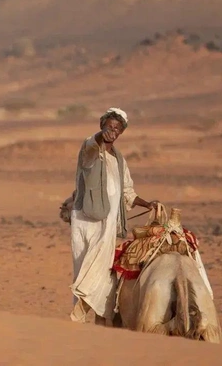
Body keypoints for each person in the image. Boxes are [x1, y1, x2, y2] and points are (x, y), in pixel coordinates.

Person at [69, 107, 156, 324]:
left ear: (121, 132)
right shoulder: (89, 149)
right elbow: (92, 143)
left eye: (117, 128)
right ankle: (80, 313)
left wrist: (147, 203)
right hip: (85, 220)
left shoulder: (119, 159)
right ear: (102, 126)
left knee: (105, 268)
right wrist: (99, 136)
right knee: (85, 267)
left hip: (108, 223)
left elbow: (127, 191)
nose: (112, 130)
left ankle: (100, 318)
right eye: (109, 126)